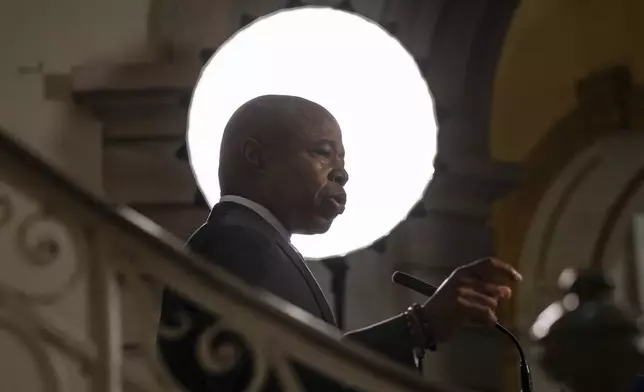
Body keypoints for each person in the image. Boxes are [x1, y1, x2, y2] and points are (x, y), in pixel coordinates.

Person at [157, 95, 522, 391]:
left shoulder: (254, 240)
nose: (341, 172)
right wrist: (420, 325)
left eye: (342, 158)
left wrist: (421, 326)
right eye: (322, 152)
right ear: (256, 157)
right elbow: (292, 370)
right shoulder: (237, 242)